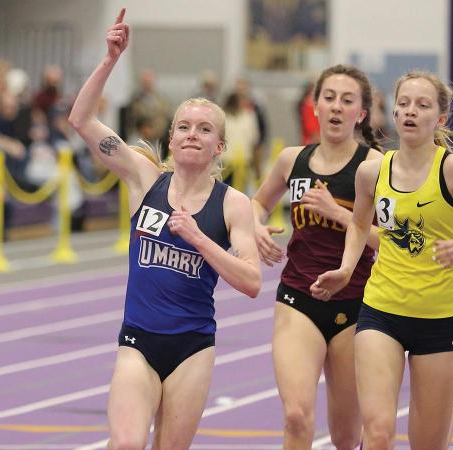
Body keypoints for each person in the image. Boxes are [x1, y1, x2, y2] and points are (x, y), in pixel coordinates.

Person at [68, 10, 261, 449]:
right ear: (171, 139)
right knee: (126, 444)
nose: (193, 134)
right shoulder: (144, 177)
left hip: (193, 346)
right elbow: (81, 120)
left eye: (205, 129)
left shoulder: (233, 204)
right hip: (138, 339)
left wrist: (198, 238)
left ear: (220, 146)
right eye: (184, 127)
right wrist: (110, 59)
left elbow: (251, 281)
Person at [312, 70, 453, 450]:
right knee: (377, 435)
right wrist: (346, 270)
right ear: (394, 112)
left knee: (426, 443)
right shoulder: (372, 171)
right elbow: (360, 226)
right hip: (382, 310)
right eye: (404, 104)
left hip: (441, 319)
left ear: (439, 119)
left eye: (422, 105)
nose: (411, 112)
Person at [252, 63, 382, 450]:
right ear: (316, 106)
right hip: (298, 297)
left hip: (355, 305)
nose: (337, 107)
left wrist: (338, 212)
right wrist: (256, 225)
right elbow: (256, 203)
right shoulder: (292, 159)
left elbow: (390, 240)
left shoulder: (376, 166)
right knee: (295, 416)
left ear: (361, 113)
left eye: (347, 101)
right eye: (329, 98)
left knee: (345, 435)